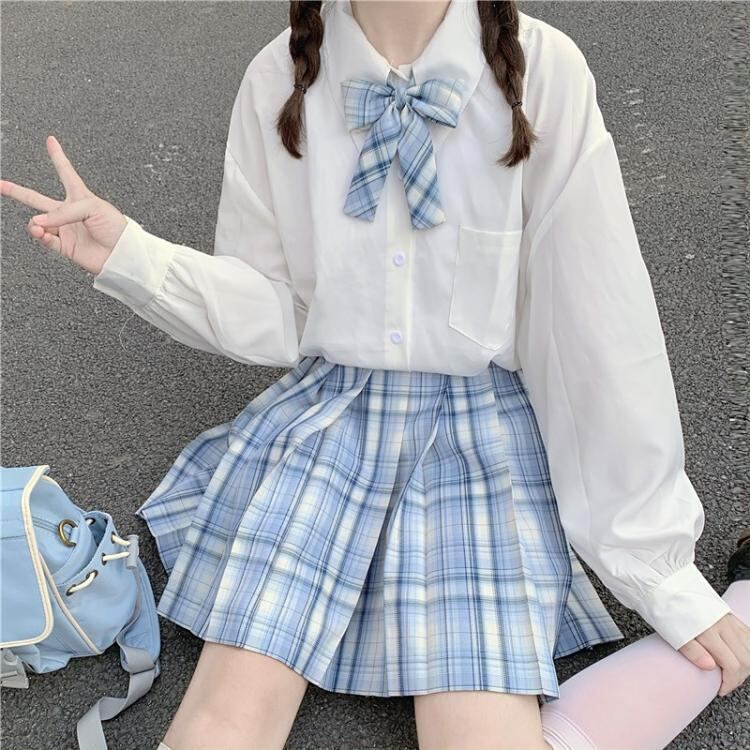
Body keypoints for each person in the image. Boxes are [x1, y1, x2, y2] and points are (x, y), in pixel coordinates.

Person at [2, 1, 748, 748]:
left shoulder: (543, 69)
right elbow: (276, 307)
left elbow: (594, 322)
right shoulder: (279, 76)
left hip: (477, 440)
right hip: (335, 419)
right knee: (220, 723)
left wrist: (657, 570)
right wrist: (129, 255)